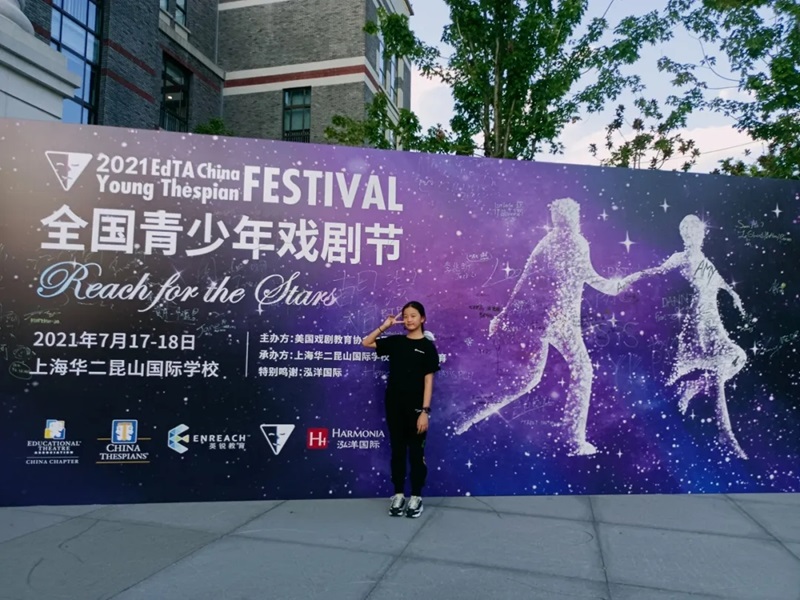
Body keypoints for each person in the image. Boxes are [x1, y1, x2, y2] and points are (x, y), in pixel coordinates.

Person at [454, 197, 626, 456]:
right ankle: (572, 440)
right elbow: (536, 280)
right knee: (553, 375)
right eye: (565, 220)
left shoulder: (555, 243)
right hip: (553, 321)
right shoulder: (567, 244)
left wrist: (505, 315)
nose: (567, 224)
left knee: (536, 379)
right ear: (568, 219)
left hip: (549, 320)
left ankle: (466, 418)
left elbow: (531, 280)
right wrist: (616, 286)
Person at [622, 215, 749, 458]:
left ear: (703, 234)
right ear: (684, 235)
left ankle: (695, 388)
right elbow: (657, 271)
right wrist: (632, 278)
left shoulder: (706, 261)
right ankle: (725, 432)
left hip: (714, 324)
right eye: (689, 233)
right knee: (711, 373)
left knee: (737, 358)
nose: (694, 236)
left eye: (698, 232)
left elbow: (720, 282)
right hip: (697, 327)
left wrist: (734, 296)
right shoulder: (679, 258)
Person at [363, 301, 440, 517]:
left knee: (416, 453)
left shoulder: (427, 347)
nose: (408, 319)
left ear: (422, 319)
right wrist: (385, 326)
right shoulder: (396, 342)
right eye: (405, 316)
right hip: (394, 405)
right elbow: (366, 342)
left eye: (413, 315)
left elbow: (428, 381)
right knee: (397, 451)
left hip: (416, 409)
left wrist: (424, 411)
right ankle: (398, 494)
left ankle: (416, 496)